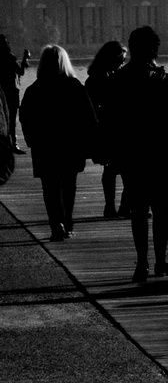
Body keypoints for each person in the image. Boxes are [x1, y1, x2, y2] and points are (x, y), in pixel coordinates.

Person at [110, 26, 168, 282]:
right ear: (154, 50)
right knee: (161, 209)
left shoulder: (118, 80)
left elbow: (111, 122)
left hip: (131, 154)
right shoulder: (167, 81)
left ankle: (141, 263)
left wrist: (111, 154)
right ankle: (160, 261)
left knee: (138, 210)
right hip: (162, 153)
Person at [19, 45, 98, 241]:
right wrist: (90, 143)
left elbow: (25, 118)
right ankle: (68, 223)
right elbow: (89, 119)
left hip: (45, 146)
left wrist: (32, 141)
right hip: (71, 146)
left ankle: (56, 224)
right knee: (69, 185)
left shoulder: (34, 90)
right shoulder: (75, 87)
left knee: (50, 187)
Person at [85, 39, 128, 218]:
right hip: (109, 129)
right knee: (116, 168)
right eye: (121, 58)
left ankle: (119, 206)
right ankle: (115, 206)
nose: (123, 62)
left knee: (121, 168)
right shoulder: (99, 78)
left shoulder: (103, 76)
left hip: (117, 128)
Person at [0, 33, 27, 152]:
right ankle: (13, 144)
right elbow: (20, 72)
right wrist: (25, 58)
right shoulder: (9, 57)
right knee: (11, 120)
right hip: (10, 92)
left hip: (1, 93)